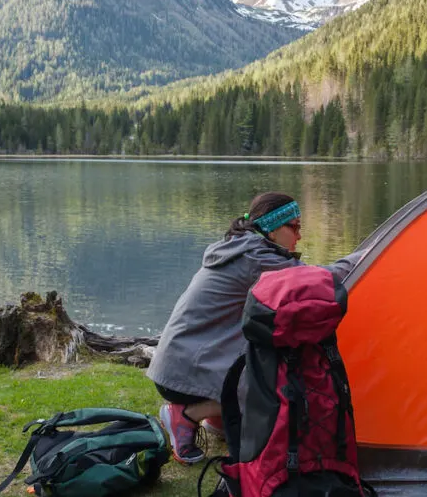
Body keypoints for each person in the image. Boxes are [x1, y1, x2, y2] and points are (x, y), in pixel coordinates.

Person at [146, 192, 364, 464]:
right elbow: (317, 280)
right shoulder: (254, 258)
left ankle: (219, 418)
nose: (299, 236)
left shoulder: (241, 247)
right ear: (272, 230)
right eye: (293, 227)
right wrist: (367, 259)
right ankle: (185, 414)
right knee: (278, 386)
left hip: (177, 363)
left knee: (267, 351)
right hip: (183, 375)